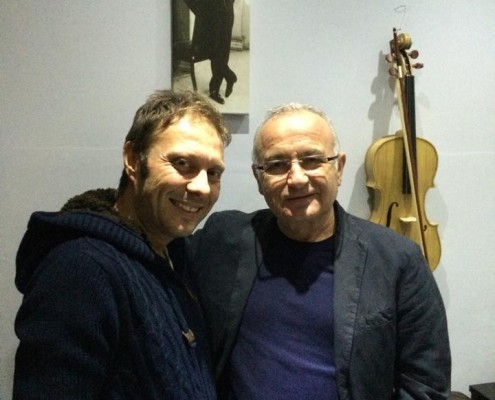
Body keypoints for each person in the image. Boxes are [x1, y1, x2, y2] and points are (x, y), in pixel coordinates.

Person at [174, 103, 451, 399]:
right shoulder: (222, 238)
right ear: (259, 179)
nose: (296, 179)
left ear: (338, 168)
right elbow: (153, 251)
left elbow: (425, 387)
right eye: (277, 164)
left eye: (312, 160)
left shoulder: (398, 261)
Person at [13, 90, 231, 399]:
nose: (202, 187)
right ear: (132, 159)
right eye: (182, 163)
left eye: (213, 173)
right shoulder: (80, 270)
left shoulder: (174, 256)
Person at [185, 0, 237, 104]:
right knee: (212, 51)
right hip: (209, 14)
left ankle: (215, 89)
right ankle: (229, 76)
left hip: (227, 13)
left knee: (223, 52)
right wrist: (201, 10)